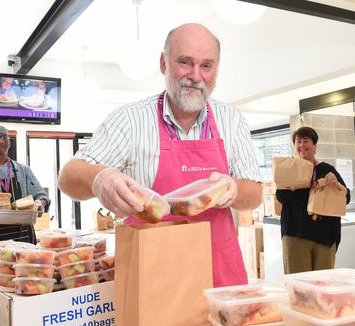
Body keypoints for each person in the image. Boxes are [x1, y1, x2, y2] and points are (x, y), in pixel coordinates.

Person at [58, 23, 262, 287]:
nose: (196, 76)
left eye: (206, 66)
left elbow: (254, 193)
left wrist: (234, 188)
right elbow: (67, 177)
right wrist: (99, 177)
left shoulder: (231, 120)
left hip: (219, 274)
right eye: (185, 62)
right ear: (164, 64)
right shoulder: (130, 120)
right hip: (152, 277)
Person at [276, 127, 350, 274]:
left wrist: (335, 184)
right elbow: (281, 198)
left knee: (323, 284)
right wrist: (292, 185)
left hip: (324, 236)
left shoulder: (327, 169)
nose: (302, 145)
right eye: (298, 142)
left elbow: (346, 198)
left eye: (306, 141)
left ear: (315, 146)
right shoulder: (289, 168)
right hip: (295, 233)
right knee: (299, 284)